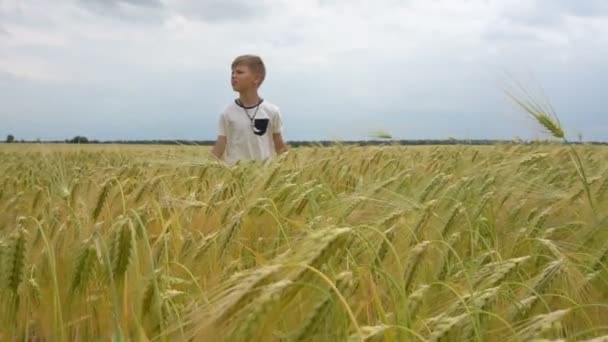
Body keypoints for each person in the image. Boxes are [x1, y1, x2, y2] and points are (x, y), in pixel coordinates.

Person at [211, 54, 287, 165]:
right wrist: (206, 169)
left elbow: (279, 143)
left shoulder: (272, 111)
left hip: (264, 175)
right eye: (232, 72)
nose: (233, 76)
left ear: (256, 78)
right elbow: (221, 142)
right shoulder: (227, 112)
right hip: (234, 175)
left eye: (239, 72)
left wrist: (289, 168)